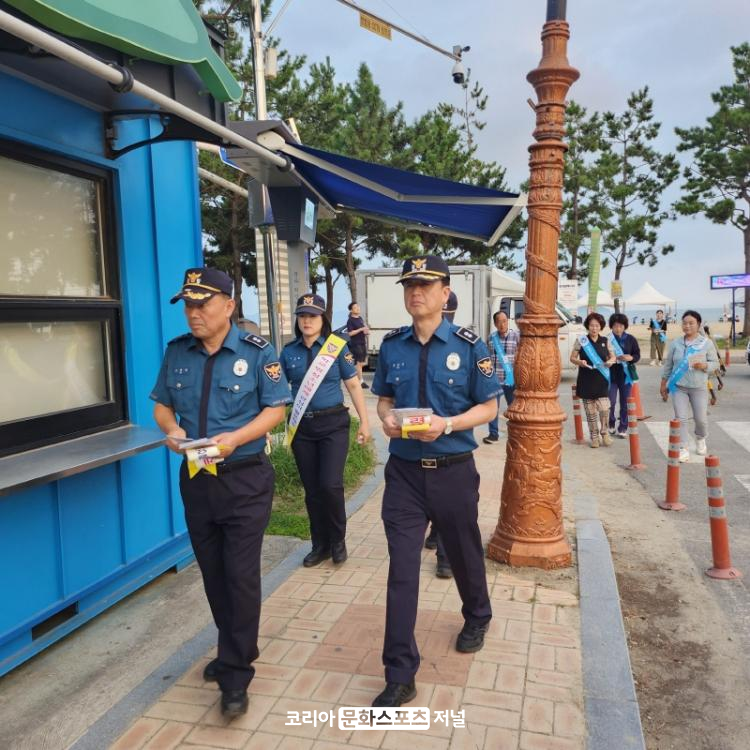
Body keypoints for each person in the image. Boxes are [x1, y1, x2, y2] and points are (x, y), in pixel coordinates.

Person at [150, 268, 290, 718]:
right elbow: (162, 405)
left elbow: (275, 409)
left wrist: (236, 438)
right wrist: (172, 431)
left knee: (240, 575)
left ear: (228, 306)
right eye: (188, 305)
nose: (194, 313)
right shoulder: (177, 352)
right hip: (196, 478)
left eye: (202, 304)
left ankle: (235, 675)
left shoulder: (257, 351)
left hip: (245, 478)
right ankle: (235, 646)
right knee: (213, 573)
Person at [371, 255, 498, 707]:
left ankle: (477, 614)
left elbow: (490, 407)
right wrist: (387, 419)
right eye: (409, 285)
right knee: (402, 570)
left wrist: (447, 424)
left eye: (425, 285)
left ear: (445, 293)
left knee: (464, 553)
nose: (415, 292)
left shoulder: (469, 346)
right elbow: (384, 399)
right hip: (404, 475)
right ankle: (400, 673)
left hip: (453, 471)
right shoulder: (392, 346)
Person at [281, 294, 370, 567]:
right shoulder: (288, 352)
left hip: (333, 425)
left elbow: (353, 385)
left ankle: (337, 540)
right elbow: (277, 390)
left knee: (330, 485)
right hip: (302, 428)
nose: (307, 321)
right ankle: (319, 545)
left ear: (323, 319)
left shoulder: (336, 347)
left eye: (312, 316)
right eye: (302, 316)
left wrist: (365, 422)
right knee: (312, 489)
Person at [424, 289, 461, 578]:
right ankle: (434, 532)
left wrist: (450, 424)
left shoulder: (461, 346)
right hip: (418, 441)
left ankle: (445, 556)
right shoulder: (412, 343)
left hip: (450, 443)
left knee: (448, 504)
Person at [660, 311, 718, 461]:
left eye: (691, 323)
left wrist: (705, 365)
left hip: (699, 387)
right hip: (679, 387)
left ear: (698, 324)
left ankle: (700, 438)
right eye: (685, 323)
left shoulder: (706, 343)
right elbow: (668, 365)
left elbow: (715, 363)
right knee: (681, 418)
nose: (687, 326)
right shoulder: (675, 343)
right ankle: (683, 447)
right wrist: (663, 384)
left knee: (701, 419)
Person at [570, 312, 617, 448]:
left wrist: (610, 362)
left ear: (601, 327)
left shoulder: (605, 341)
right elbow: (572, 358)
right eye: (591, 325)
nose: (594, 328)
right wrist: (580, 362)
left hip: (601, 379)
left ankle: (604, 432)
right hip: (586, 380)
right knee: (590, 413)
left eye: (597, 325)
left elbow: (613, 357)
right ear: (588, 326)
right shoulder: (581, 340)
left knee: (604, 409)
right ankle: (594, 437)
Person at [483, 310, 519, 444]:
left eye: (505, 321)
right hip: (495, 380)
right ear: (495, 324)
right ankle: (493, 434)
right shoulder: (491, 338)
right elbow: (486, 358)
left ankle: (516, 434)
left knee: (513, 409)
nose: (502, 324)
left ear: (508, 321)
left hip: (511, 380)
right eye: (499, 322)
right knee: (492, 408)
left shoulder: (516, 336)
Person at [607, 313, 641, 438]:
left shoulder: (631, 339)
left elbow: (637, 355)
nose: (618, 329)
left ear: (625, 326)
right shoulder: (607, 339)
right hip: (611, 375)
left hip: (626, 376)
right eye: (615, 326)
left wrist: (630, 358)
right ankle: (610, 422)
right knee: (610, 402)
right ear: (611, 326)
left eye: (621, 326)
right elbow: (603, 355)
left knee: (625, 403)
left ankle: (623, 427)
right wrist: (610, 359)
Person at [346, 301, 370, 389]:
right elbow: (350, 333)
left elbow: (363, 328)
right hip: (356, 344)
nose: (358, 308)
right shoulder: (350, 320)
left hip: (362, 342)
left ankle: (355, 378)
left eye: (358, 307)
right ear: (351, 310)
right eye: (355, 307)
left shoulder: (360, 318)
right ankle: (361, 381)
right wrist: (360, 329)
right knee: (359, 363)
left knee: (362, 363)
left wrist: (366, 331)